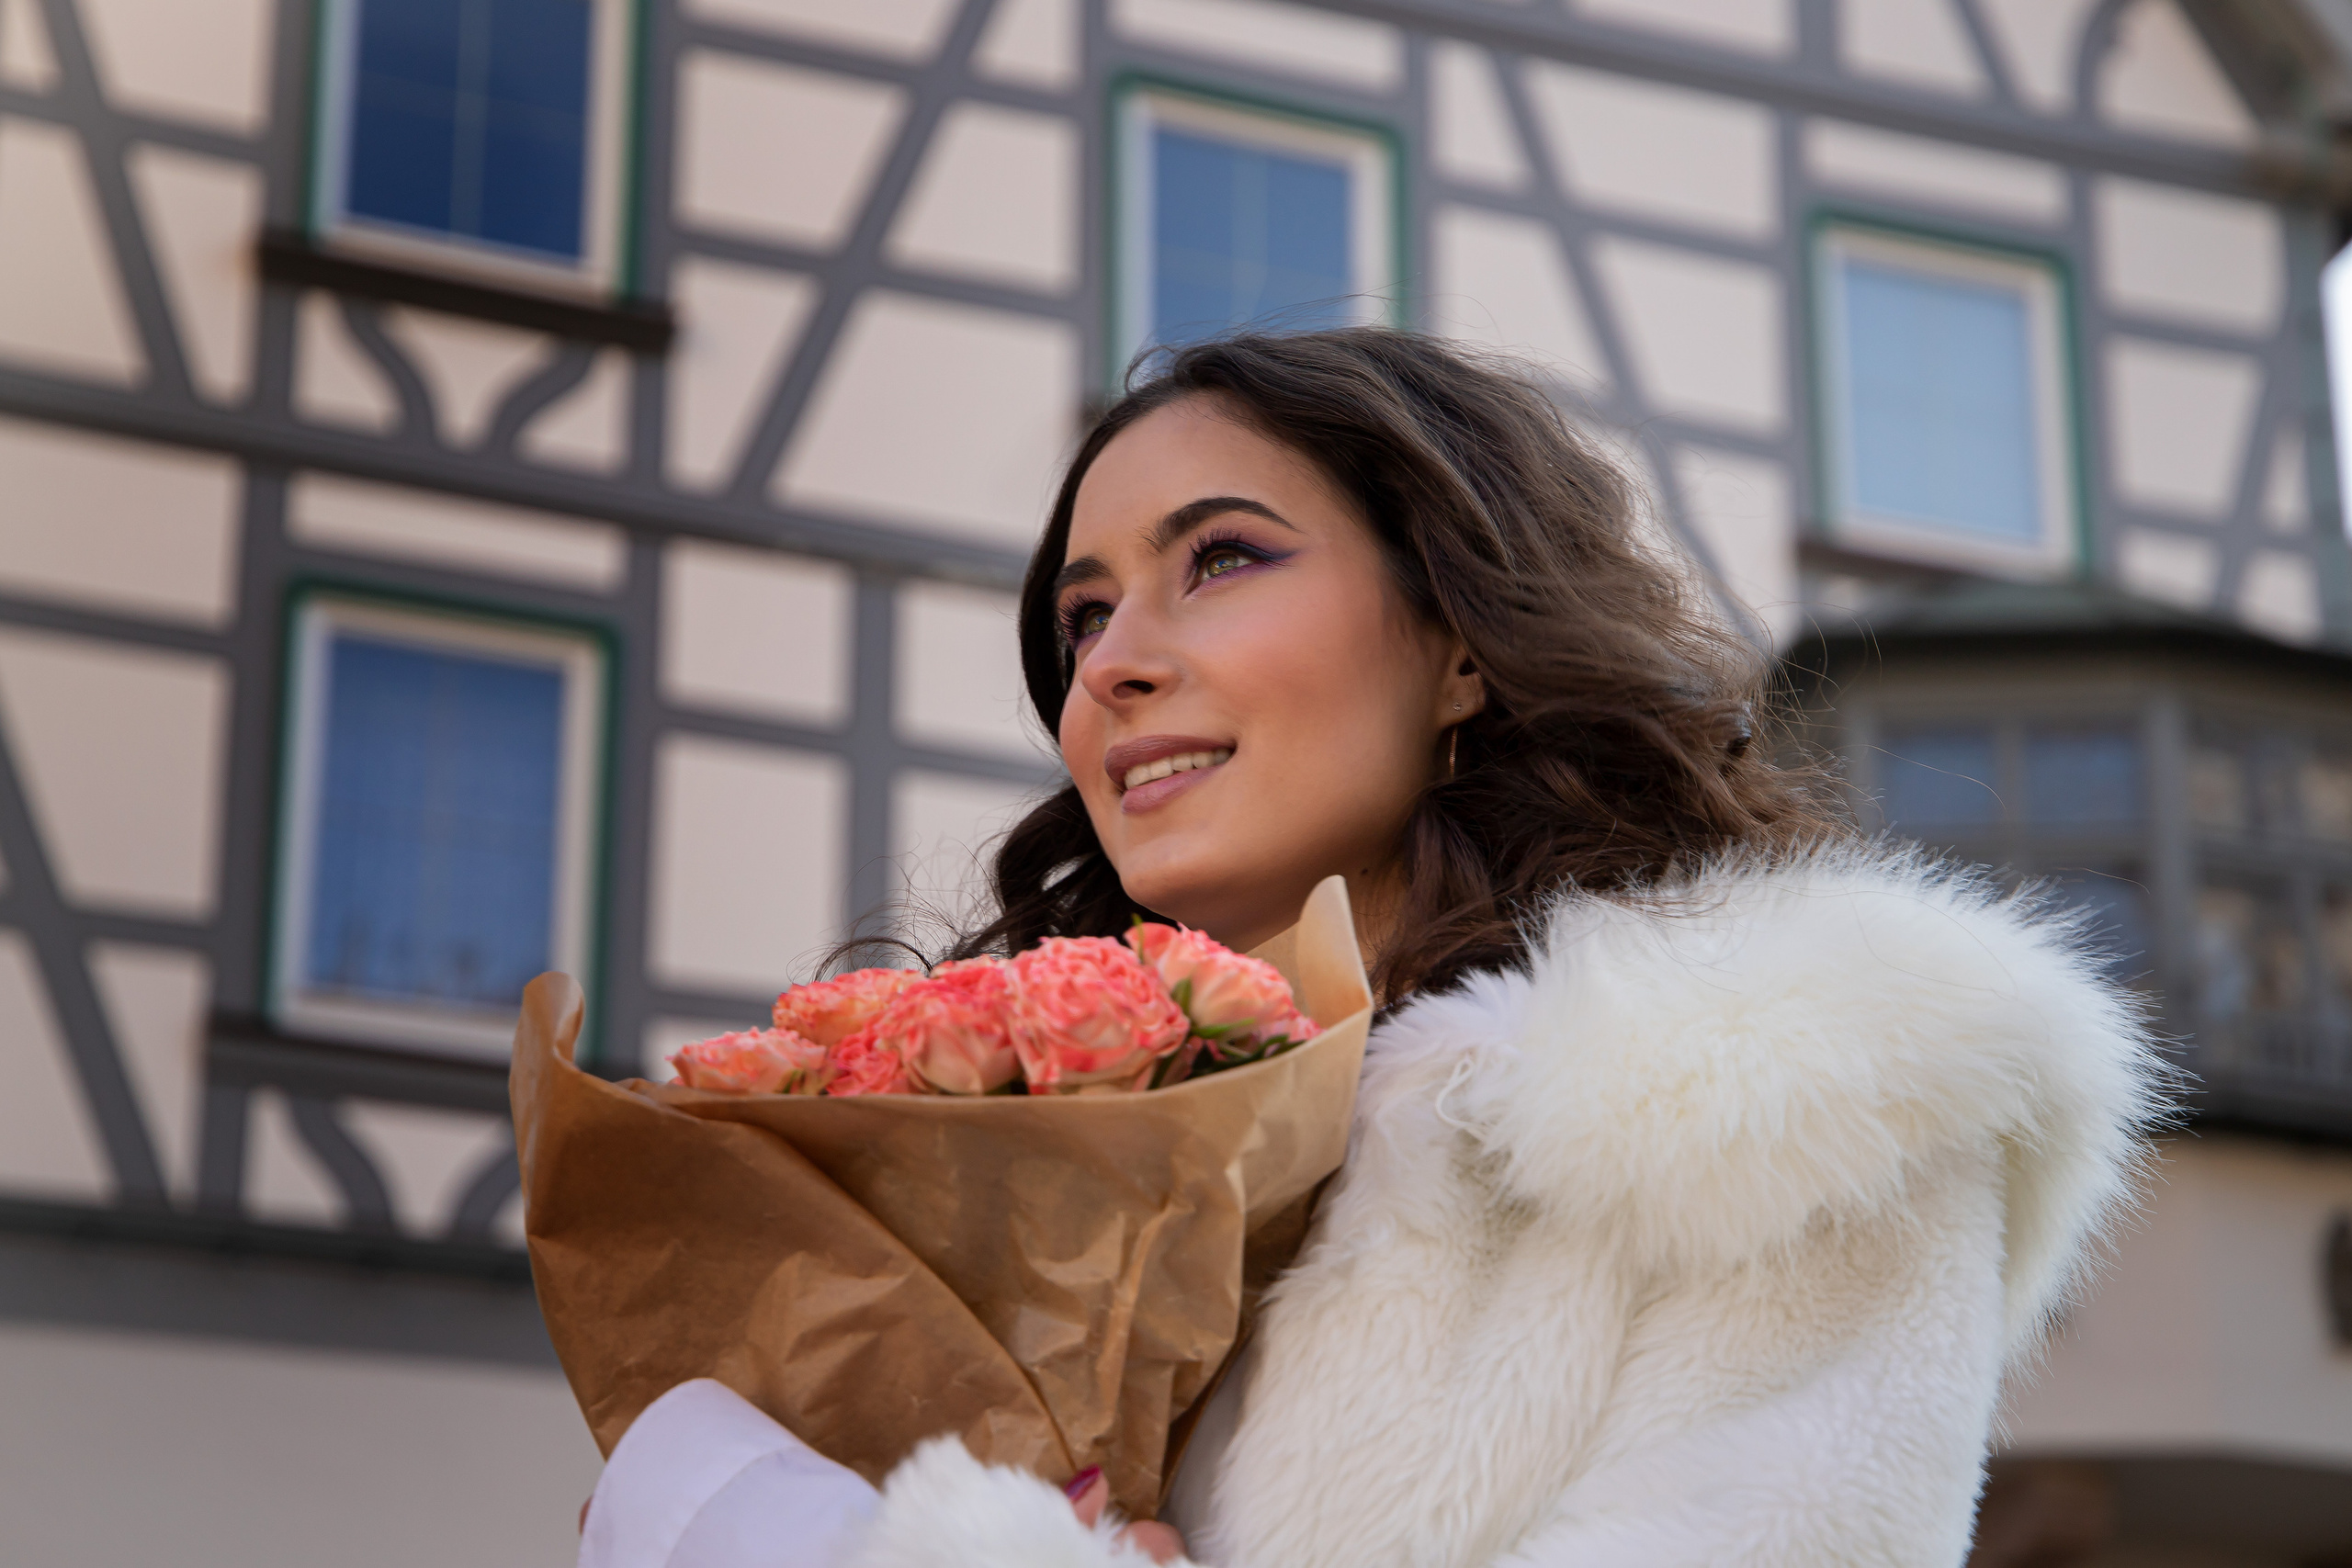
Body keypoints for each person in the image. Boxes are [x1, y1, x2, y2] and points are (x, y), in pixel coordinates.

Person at [578, 329, 2163, 1568]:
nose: (1115, 666)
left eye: (1221, 559)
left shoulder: (1788, 1100)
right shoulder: (1044, 1163)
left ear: (1461, 641)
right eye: (1082, 616)